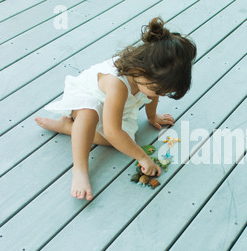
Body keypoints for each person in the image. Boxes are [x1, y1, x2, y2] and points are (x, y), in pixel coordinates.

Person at [35, 17, 197, 201]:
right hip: (87, 98)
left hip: (116, 107)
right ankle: (79, 169)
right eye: (158, 91)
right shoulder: (117, 84)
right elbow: (112, 131)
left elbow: (150, 97)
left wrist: (152, 117)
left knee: (124, 140)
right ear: (141, 71)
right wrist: (143, 157)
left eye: (163, 93)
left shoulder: (148, 77)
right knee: (90, 114)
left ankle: (71, 128)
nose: (158, 96)